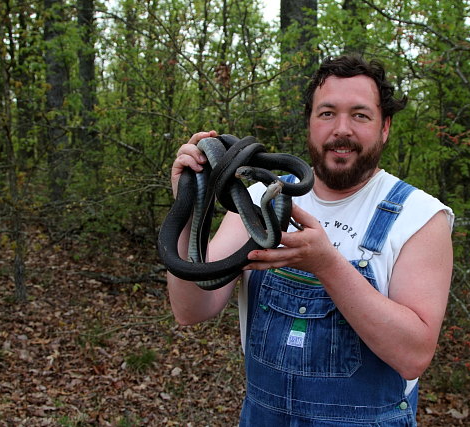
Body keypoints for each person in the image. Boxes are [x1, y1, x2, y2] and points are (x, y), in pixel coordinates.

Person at [167, 54, 454, 426]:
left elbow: (414, 354)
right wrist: (190, 205)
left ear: (385, 127)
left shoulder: (419, 217)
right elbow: (192, 310)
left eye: (361, 115)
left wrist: (328, 265)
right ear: (309, 123)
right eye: (327, 113)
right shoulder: (258, 199)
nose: (342, 129)